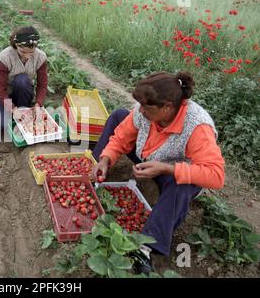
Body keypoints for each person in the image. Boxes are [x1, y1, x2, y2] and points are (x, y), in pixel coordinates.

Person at [92, 71, 225, 274]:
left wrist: (167, 168)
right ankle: (95, 173)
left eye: (146, 107)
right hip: (148, 157)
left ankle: (145, 248)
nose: (140, 111)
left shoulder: (197, 126)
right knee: (120, 116)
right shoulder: (144, 112)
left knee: (182, 187)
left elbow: (216, 175)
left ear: (167, 108)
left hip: (172, 172)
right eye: (141, 106)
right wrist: (105, 158)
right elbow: (122, 136)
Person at [0, 26, 48, 130]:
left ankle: (23, 108)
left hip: (23, 92)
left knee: (21, 80)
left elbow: (42, 84)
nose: (27, 56)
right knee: (1, 125)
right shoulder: (4, 58)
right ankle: (16, 113)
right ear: (16, 45)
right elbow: (1, 90)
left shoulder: (41, 57)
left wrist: (38, 104)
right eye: (23, 52)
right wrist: (13, 109)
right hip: (3, 96)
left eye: (31, 52)